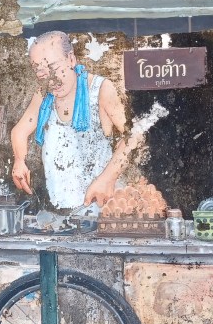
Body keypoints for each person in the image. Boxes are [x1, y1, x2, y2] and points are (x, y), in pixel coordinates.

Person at [10, 31, 140, 209]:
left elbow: (134, 136)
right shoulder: (43, 95)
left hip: (101, 208)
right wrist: (19, 160)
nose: (51, 81)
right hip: (61, 211)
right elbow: (19, 131)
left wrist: (107, 178)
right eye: (41, 73)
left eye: (54, 68)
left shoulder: (100, 89)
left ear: (71, 59)